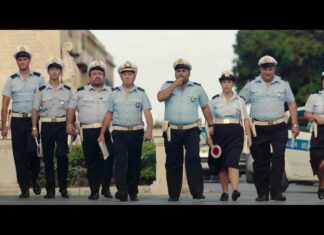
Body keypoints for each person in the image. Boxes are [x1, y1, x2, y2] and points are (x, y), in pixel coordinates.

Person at [239, 55, 299, 201]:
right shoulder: (252, 83)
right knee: (260, 161)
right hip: (258, 128)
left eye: (270, 69)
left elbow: (291, 104)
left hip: (278, 126)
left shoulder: (283, 83)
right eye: (265, 69)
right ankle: (262, 193)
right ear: (260, 69)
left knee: (279, 158)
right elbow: (240, 100)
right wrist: (244, 121)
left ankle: (276, 191)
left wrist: (295, 124)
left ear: (274, 69)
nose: (268, 72)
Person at [157, 58, 214, 201]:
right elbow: (160, 97)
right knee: (173, 162)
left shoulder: (197, 88)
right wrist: (175, 85)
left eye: (184, 71)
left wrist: (211, 126)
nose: (181, 73)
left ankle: (197, 193)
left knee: (193, 160)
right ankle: (174, 195)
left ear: (189, 73)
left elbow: (205, 108)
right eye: (178, 71)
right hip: (172, 130)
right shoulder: (167, 85)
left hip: (191, 130)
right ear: (175, 73)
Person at [98, 61, 153, 202]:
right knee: (120, 162)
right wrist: (102, 133)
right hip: (119, 132)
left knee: (135, 162)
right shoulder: (114, 93)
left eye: (130, 74)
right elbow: (108, 114)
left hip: (136, 132)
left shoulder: (141, 93)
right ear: (121, 76)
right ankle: (122, 191)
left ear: (134, 76)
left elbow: (147, 113)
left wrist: (149, 131)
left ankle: (133, 192)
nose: (127, 77)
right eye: (125, 74)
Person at [1, 45, 45, 198]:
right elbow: (5, 104)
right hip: (17, 121)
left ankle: (34, 177)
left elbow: (44, 99)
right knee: (19, 156)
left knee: (32, 152)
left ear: (29, 60)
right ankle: (24, 188)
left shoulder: (39, 78)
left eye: (24, 59)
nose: (22, 62)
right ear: (17, 62)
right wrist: (4, 126)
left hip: (33, 121)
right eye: (19, 59)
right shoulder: (11, 80)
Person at [66, 60, 114, 200]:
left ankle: (105, 187)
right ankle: (94, 191)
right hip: (87, 131)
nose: (97, 76)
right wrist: (69, 123)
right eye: (94, 74)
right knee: (91, 162)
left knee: (109, 159)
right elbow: (71, 108)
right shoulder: (80, 92)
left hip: (104, 130)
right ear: (89, 76)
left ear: (104, 76)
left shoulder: (111, 92)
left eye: (100, 73)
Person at [207, 71, 251, 201]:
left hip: (235, 132)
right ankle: (225, 192)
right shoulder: (214, 100)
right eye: (224, 82)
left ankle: (235, 190)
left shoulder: (239, 100)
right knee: (221, 164)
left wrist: (248, 136)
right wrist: (209, 136)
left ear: (233, 84)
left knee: (232, 161)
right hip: (219, 132)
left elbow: (245, 119)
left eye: (229, 82)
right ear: (221, 83)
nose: (226, 85)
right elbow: (208, 118)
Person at [32, 57, 72, 198]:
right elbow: (35, 110)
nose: (54, 72)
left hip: (61, 125)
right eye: (52, 69)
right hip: (47, 125)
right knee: (48, 158)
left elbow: (70, 110)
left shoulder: (67, 90)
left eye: (57, 69)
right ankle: (50, 190)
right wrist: (34, 128)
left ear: (60, 72)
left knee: (62, 155)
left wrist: (70, 124)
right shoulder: (41, 90)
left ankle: (63, 188)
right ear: (48, 71)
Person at [304, 71, 324, 200]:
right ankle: (322, 183)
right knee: (317, 162)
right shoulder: (314, 97)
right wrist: (315, 117)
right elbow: (306, 114)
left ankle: (322, 184)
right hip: (318, 132)